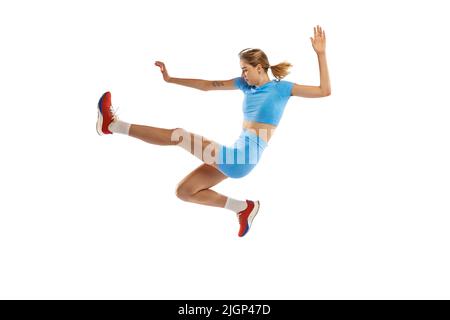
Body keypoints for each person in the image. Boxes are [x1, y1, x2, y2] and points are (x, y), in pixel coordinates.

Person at [96, 25, 331, 237]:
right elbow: (207, 86)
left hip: (243, 159)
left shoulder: (282, 89)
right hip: (236, 156)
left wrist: (320, 54)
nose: (242, 75)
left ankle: (113, 125)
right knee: (185, 191)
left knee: (179, 135)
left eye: (245, 69)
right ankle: (243, 208)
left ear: (259, 68)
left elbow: (324, 90)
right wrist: (170, 79)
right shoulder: (244, 86)